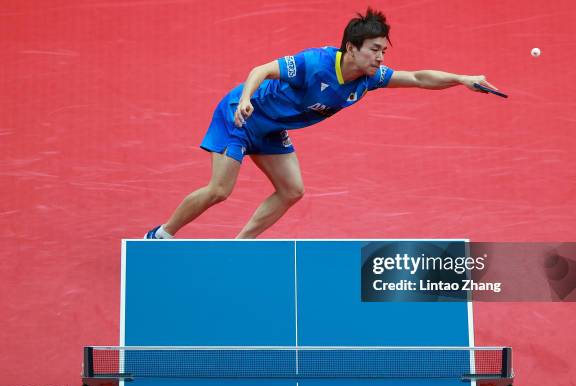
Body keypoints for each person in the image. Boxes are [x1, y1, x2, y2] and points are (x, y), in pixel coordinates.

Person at [145, 7, 499, 239]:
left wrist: (462, 78)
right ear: (352, 47)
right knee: (220, 191)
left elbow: (419, 78)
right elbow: (261, 69)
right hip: (241, 115)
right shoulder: (315, 63)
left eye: (383, 51)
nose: (380, 56)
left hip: (271, 128)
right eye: (374, 49)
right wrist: (247, 100)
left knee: (292, 191)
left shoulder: (369, 77)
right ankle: (161, 235)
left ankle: (241, 246)